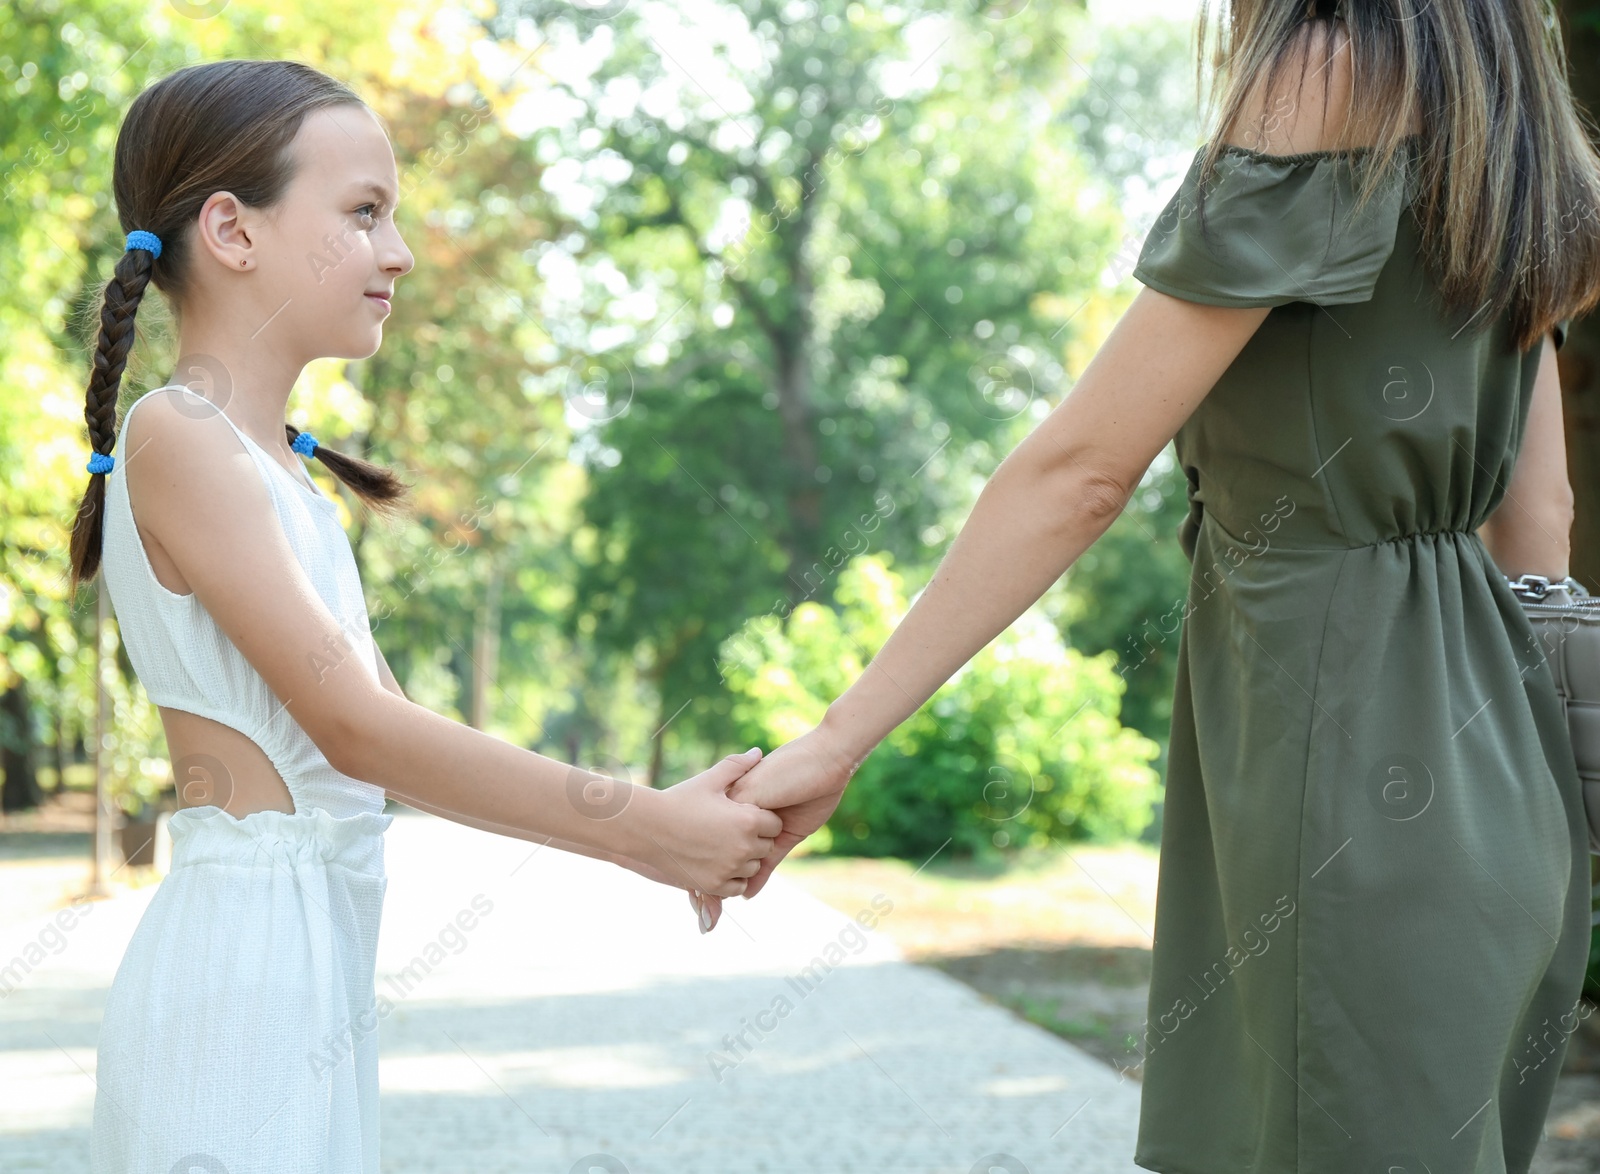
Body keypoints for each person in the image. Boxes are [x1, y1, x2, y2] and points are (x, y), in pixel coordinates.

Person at [716, 3, 1600, 1171]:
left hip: (1334, 773)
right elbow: (1539, 522)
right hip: (1498, 797)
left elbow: (1080, 475)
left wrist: (837, 738)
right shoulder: (1511, 116)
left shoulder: (1329, 73)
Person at [69, 59, 781, 1174]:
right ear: (232, 229)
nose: (396, 251)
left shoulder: (275, 474)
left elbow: (406, 749)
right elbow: (359, 731)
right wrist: (651, 831)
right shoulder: (177, 433)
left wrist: (656, 830)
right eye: (362, 214)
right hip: (235, 993)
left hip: (302, 984)